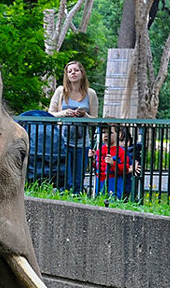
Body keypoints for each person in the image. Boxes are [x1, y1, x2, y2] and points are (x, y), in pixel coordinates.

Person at [47, 60, 98, 194]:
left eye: (76, 70)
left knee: (78, 179)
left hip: (82, 143)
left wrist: (85, 116)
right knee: (65, 178)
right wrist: (63, 113)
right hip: (62, 142)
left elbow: (95, 121)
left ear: (82, 72)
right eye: (69, 71)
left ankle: (77, 202)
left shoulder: (90, 93)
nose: (73, 73)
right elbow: (49, 115)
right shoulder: (60, 91)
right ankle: (64, 200)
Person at [94, 125, 128, 198]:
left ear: (119, 134)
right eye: (103, 132)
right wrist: (93, 159)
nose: (106, 135)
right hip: (100, 181)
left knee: (113, 200)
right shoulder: (99, 151)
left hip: (113, 181)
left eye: (110, 133)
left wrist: (113, 164)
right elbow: (96, 167)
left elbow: (125, 169)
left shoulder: (121, 152)